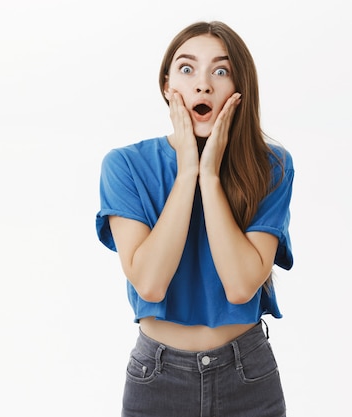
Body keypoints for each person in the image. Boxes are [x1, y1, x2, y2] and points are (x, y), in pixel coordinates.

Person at [96, 21, 294, 417]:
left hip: (248, 377)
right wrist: (187, 172)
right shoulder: (125, 165)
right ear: (167, 86)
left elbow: (240, 287)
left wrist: (211, 176)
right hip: (158, 378)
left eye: (220, 71)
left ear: (240, 89)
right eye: (187, 69)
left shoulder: (271, 166)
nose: (203, 84)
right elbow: (150, 284)